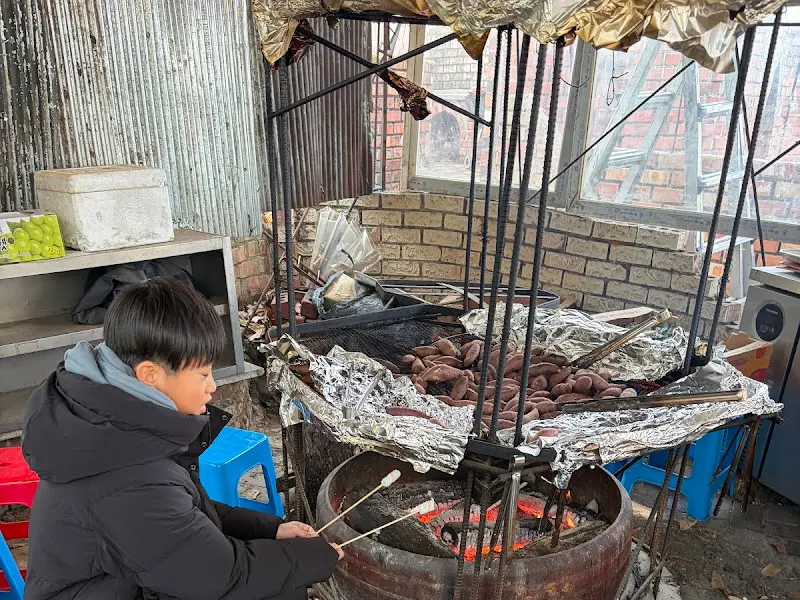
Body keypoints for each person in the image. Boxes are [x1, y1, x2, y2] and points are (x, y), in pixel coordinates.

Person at [22, 276, 341, 599]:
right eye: (203, 374)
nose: (212, 386)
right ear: (150, 375)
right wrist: (311, 559)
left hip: (124, 579)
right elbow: (217, 577)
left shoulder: (117, 421)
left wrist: (271, 530)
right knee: (279, 588)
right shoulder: (125, 475)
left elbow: (184, 510)